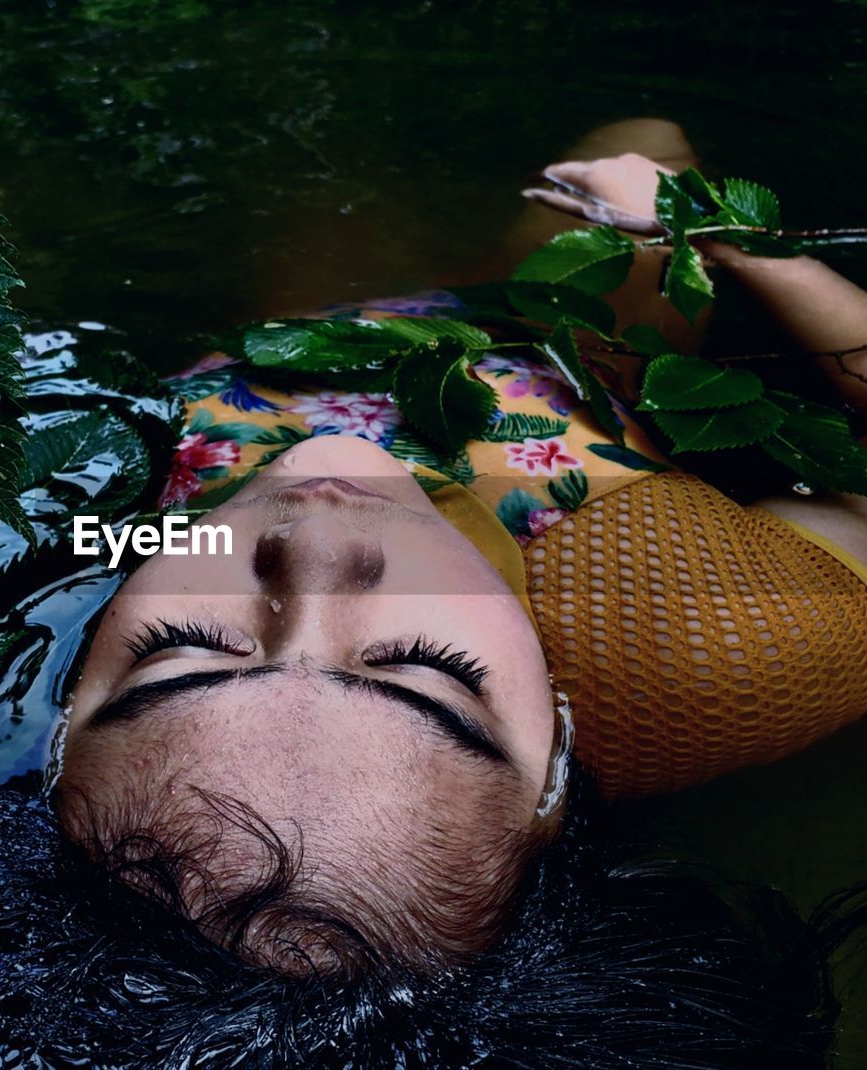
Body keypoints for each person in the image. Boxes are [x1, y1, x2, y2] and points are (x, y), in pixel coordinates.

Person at [54, 119, 867, 975]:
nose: (319, 542)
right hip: (558, 330)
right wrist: (733, 246)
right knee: (647, 144)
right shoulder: (708, 639)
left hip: (283, 335)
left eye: (184, 647)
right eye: (421, 661)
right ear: (552, 754)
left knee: (310, 174)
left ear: (64, 712)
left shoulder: (72, 549)